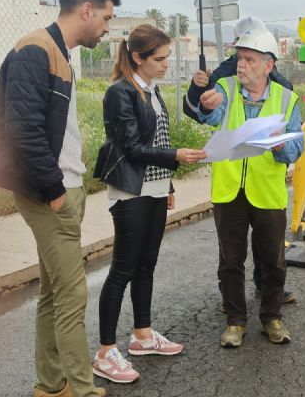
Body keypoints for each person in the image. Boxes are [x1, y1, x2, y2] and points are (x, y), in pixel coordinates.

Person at [0, 0, 120, 397]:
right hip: (49, 193)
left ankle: (50, 385)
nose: (106, 27)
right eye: (105, 17)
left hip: (63, 188)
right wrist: (53, 190)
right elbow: (23, 130)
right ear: (86, 10)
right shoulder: (36, 50)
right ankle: (82, 390)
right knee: (72, 296)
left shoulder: (58, 52)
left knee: (53, 294)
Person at [92, 24, 206, 383]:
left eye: (168, 58)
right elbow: (130, 149)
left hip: (155, 188)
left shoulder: (151, 89)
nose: (166, 65)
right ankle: (105, 352)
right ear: (137, 57)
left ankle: (142, 335)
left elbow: (158, 135)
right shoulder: (120, 93)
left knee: (147, 265)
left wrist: (168, 182)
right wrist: (175, 156)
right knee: (123, 269)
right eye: (159, 59)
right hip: (131, 191)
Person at [195, 27, 304, 348]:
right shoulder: (225, 87)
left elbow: (296, 149)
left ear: (268, 65)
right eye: (239, 58)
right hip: (230, 189)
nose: (240, 65)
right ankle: (234, 321)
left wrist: (279, 147)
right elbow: (212, 117)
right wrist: (204, 104)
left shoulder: (288, 98)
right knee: (230, 260)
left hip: (267, 190)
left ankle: (271, 317)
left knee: (272, 259)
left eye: (249, 59)